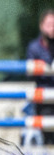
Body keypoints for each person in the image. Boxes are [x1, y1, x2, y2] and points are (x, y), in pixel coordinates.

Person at [25, 8, 54, 145]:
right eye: (49, 25)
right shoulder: (34, 47)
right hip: (43, 97)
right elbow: (30, 74)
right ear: (41, 26)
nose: (52, 29)